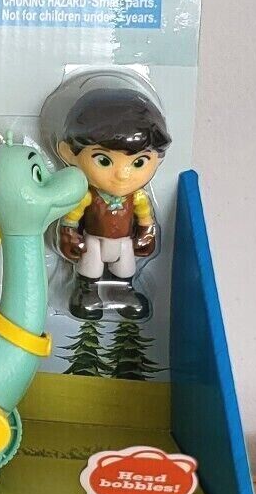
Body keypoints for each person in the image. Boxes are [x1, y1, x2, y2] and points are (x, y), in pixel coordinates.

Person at [54, 86, 171, 319]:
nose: (122, 175)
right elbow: (72, 218)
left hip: (124, 241)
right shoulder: (87, 196)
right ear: (68, 153)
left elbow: (145, 218)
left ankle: (123, 292)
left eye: (139, 162)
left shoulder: (137, 197)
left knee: (125, 266)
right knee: (91, 264)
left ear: (157, 159)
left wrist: (146, 234)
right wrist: (69, 234)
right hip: (94, 240)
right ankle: (87, 292)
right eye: (104, 161)